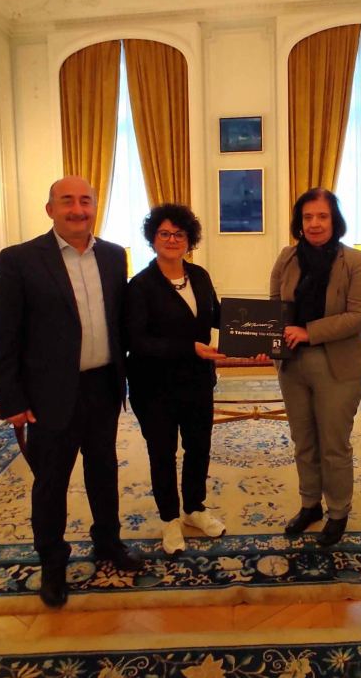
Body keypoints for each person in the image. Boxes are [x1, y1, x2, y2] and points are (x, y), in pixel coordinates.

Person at [0, 175, 144, 610]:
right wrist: (12, 400)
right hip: (49, 394)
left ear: (95, 206)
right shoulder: (19, 259)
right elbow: (2, 335)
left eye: (85, 201)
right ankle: (53, 563)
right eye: (67, 201)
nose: (77, 209)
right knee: (51, 481)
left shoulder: (113, 256)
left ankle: (108, 542)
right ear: (50, 209)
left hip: (103, 385)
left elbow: (120, 321)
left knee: (104, 470)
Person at [270, 188, 361, 547]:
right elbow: (274, 306)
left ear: (334, 220)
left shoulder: (353, 260)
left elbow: (358, 316)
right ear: (299, 222)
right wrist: (268, 339)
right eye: (308, 217)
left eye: (322, 216)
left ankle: (338, 511)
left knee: (333, 444)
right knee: (303, 441)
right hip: (292, 365)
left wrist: (308, 332)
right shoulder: (286, 258)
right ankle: (310, 504)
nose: (314, 223)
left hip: (337, 364)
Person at [125, 203, 227, 556]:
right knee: (163, 453)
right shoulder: (140, 285)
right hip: (154, 386)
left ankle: (194, 509)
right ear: (153, 238)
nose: (172, 239)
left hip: (198, 381)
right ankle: (170, 519)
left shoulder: (199, 275)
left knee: (199, 447)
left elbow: (217, 316)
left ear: (189, 239)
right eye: (164, 233)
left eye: (179, 234)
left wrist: (256, 334)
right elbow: (137, 341)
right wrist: (189, 347)